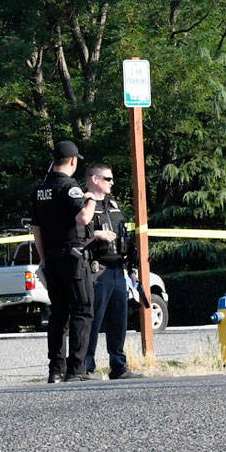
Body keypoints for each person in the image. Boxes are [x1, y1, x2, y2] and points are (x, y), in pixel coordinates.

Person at [32, 140, 97, 383]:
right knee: (82, 310)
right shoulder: (71, 187)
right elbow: (83, 218)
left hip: (51, 258)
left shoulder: (41, 189)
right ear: (72, 161)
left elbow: (36, 229)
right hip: (73, 258)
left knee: (58, 313)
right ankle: (76, 369)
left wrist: (43, 258)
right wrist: (91, 199)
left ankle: (55, 371)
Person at [84, 163, 142, 380]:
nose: (112, 182)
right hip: (96, 269)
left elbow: (125, 235)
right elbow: (78, 232)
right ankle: (86, 367)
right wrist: (97, 234)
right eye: (108, 178)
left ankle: (119, 366)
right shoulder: (84, 202)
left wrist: (132, 267)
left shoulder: (113, 204)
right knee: (93, 320)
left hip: (118, 269)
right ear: (95, 179)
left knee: (119, 320)